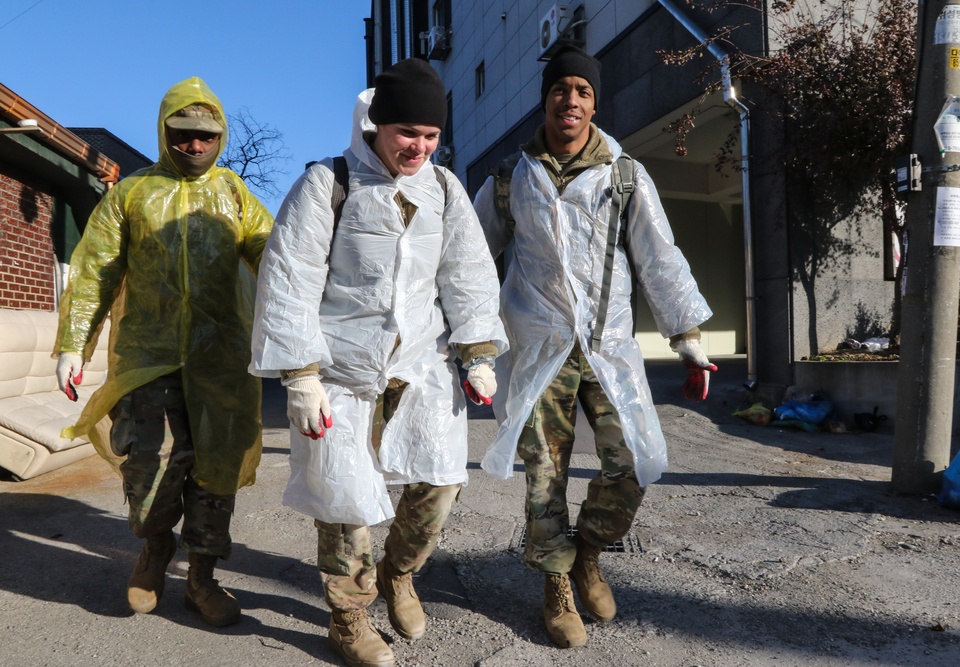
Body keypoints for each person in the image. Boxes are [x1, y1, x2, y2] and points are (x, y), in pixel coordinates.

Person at [250, 58, 508, 667]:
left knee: (438, 486)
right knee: (345, 502)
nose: (418, 146)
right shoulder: (329, 182)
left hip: (421, 367)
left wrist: (476, 353)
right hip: (341, 373)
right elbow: (289, 279)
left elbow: (468, 274)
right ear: (377, 126)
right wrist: (301, 375)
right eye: (406, 133)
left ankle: (399, 574)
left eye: (430, 135)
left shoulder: (443, 189)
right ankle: (349, 615)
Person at [472, 45, 717, 648]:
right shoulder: (510, 177)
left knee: (631, 459)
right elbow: (470, 264)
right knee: (544, 475)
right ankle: (556, 586)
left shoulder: (626, 175)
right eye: (562, 90)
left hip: (607, 347)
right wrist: (470, 347)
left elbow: (660, 258)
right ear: (546, 99)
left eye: (583, 91)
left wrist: (687, 337)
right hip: (537, 348)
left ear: (595, 102)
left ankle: (587, 554)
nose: (571, 101)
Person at [53, 77, 274, 628]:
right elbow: (95, 271)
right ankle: (154, 551)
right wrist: (72, 344)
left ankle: (202, 578)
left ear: (220, 136)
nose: (193, 146)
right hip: (149, 358)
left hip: (221, 359)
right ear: (164, 131)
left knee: (215, 470)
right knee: (147, 468)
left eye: (205, 136)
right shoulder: (130, 193)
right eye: (182, 134)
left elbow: (274, 256)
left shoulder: (235, 194)